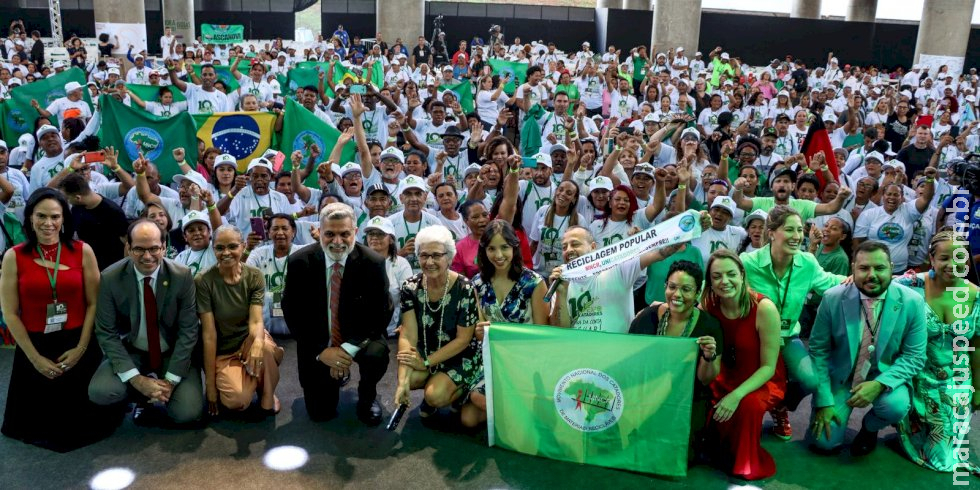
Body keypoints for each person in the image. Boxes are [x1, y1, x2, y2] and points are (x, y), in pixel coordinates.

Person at [0, 188, 116, 451]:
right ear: (30, 218)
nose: (48, 223)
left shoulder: (82, 251)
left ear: (65, 218)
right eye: (41, 216)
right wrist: (34, 358)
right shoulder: (14, 256)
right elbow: (10, 312)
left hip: (78, 341)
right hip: (35, 345)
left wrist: (82, 348)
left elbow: (94, 303)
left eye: (55, 216)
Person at [806, 241, 927, 456]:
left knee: (895, 407)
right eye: (863, 268)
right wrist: (824, 401)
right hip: (842, 377)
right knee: (824, 443)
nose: (871, 275)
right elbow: (818, 351)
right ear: (853, 268)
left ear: (891, 267)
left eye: (879, 268)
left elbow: (915, 356)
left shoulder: (913, 302)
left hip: (884, 374)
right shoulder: (832, 298)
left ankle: (869, 428)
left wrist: (880, 384)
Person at [282, 203, 392, 425]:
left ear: (355, 233)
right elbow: (293, 314)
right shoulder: (299, 262)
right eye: (330, 234)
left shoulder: (373, 263)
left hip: (359, 338)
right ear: (319, 232)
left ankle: (367, 395)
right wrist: (322, 352)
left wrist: (345, 351)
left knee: (376, 354)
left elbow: (380, 314)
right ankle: (332, 374)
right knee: (320, 414)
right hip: (318, 343)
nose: (338, 241)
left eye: (345, 234)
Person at [740, 205, 845, 439]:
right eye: (789, 229)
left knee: (810, 380)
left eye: (800, 229)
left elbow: (830, 282)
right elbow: (720, 284)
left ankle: (781, 405)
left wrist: (857, 277)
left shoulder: (807, 262)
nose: (797, 236)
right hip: (752, 337)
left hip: (787, 337)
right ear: (772, 232)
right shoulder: (748, 262)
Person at [88, 219, 204, 427]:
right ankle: (141, 394)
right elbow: (106, 332)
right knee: (101, 391)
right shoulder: (110, 278)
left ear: (164, 247)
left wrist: (169, 382)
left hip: (171, 351)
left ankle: (160, 390)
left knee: (187, 412)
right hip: (134, 350)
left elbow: (189, 331)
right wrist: (137, 380)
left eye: (153, 249)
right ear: (129, 248)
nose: (147, 256)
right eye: (139, 249)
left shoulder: (182, 276)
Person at [891, 230, 980, 473]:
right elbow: (875, 283)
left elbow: (978, 347)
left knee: (945, 455)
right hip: (918, 377)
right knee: (940, 457)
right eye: (944, 258)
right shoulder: (911, 284)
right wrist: (846, 280)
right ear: (932, 259)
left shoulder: (977, 296)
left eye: (960, 258)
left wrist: (979, 390)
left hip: (958, 380)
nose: (953, 265)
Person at [701, 249, 785, 481]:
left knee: (747, 406)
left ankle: (745, 460)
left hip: (761, 381)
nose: (724, 281)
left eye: (730, 274)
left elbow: (769, 367)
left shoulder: (764, 308)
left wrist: (735, 395)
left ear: (742, 275)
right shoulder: (708, 305)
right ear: (710, 281)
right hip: (724, 377)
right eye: (717, 276)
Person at [629, 260, 723, 462]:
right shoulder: (646, 318)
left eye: (686, 289)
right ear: (665, 287)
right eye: (672, 287)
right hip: (648, 395)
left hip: (687, 400)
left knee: (678, 457)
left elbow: (705, 380)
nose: (677, 295)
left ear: (698, 293)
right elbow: (632, 364)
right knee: (638, 451)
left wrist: (708, 357)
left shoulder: (709, 326)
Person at [462, 220, 549, 428]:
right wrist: (480, 332)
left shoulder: (534, 283)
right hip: (492, 357)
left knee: (477, 404)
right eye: (491, 248)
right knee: (468, 419)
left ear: (514, 247)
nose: (498, 255)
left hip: (527, 358)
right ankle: (524, 412)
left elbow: (542, 334)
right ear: (484, 251)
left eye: (504, 247)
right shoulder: (477, 282)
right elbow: (481, 332)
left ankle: (522, 417)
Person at [395, 225, 481, 422]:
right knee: (410, 379)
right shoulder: (410, 287)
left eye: (436, 255)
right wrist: (402, 383)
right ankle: (435, 385)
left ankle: (460, 393)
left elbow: (463, 340)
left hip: (460, 354)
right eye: (424, 255)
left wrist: (425, 362)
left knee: (435, 395)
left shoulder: (465, 287)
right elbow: (408, 335)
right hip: (426, 348)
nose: (429, 261)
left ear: (449, 257)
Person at [197, 225, 283, 417]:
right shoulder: (203, 281)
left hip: (248, 339)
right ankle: (263, 370)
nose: (226, 253)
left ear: (243, 246)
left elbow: (255, 321)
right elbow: (209, 335)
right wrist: (210, 386)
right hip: (224, 350)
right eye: (220, 248)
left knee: (264, 347)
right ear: (213, 249)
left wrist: (258, 343)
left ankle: (267, 394)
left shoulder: (254, 276)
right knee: (238, 401)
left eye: (232, 246)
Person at [245, 213, 300, 336]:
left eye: (285, 228)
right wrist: (247, 249)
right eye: (275, 229)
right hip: (265, 331)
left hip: (298, 333)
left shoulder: (304, 253)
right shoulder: (258, 254)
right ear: (268, 233)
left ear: (293, 232)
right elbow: (243, 274)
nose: (280, 233)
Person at [362, 216, 413, 338]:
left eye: (380, 234)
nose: (374, 237)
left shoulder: (401, 264)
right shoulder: (358, 262)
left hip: (393, 333)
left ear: (391, 239)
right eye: (371, 233)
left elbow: (409, 299)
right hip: (363, 332)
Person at [450, 200, 489, 278]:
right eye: (475, 217)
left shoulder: (499, 238)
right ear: (466, 221)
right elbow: (462, 282)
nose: (482, 220)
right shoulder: (459, 248)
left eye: (485, 215)